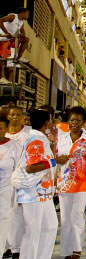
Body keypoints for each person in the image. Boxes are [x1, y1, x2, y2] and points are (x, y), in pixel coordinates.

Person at [56, 106, 86, 259]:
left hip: (82, 183)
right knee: (65, 218)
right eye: (72, 120)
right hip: (64, 183)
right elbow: (56, 160)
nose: (75, 123)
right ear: (68, 121)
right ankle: (66, 251)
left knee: (77, 215)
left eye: (78, 120)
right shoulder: (61, 139)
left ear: (84, 122)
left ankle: (77, 249)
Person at [16, 110, 58, 259]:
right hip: (33, 194)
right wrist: (54, 161)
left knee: (51, 226)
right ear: (46, 123)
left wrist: (53, 143)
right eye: (51, 121)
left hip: (43, 194)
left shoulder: (42, 139)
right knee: (32, 232)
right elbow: (31, 167)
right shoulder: (36, 140)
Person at [5, 106, 32, 259]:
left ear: (23, 117)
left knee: (17, 214)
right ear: (8, 116)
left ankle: (16, 247)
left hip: (20, 178)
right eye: (12, 114)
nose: (15, 117)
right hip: (4, 179)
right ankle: (6, 245)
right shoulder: (4, 133)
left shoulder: (27, 135)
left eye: (18, 115)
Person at [0, 114, 21, 255]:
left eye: (0, 128)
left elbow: (19, 170)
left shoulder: (15, 146)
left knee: (2, 224)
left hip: (6, 191)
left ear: (7, 128)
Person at [0, 9, 30, 85]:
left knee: (26, 40)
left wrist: (21, 34)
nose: (28, 16)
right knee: (2, 59)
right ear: (22, 12)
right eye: (27, 14)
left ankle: (19, 57)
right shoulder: (13, 16)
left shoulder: (21, 22)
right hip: (3, 38)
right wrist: (6, 32)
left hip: (11, 40)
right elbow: (1, 20)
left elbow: (23, 32)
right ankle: (1, 77)